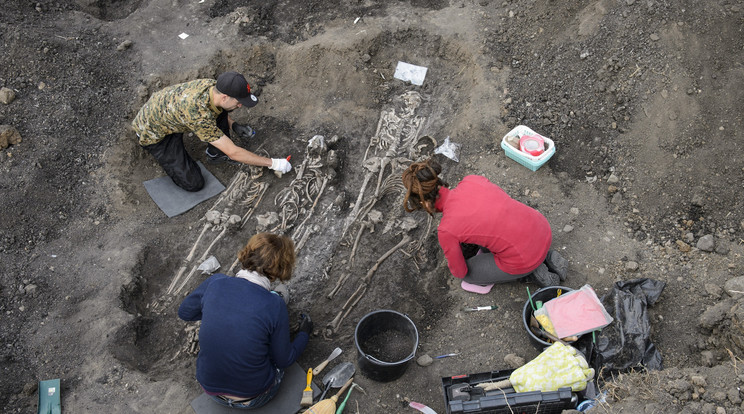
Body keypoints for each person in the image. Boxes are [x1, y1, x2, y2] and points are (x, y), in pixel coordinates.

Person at [178, 233, 313, 409]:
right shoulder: (274, 305)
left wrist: (219, 310)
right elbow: (284, 360)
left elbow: (185, 312)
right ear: (282, 269)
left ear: (248, 253)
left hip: (210, 389)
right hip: (254, 396)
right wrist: (304, 334)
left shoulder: (216, 282)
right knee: (270, 351)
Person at [401, 158, 567, 294]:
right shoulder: (471, 180)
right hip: (542, 228)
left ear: (425, 203)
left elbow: (459, 271)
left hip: (524, 259)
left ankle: (530, 274)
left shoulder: (447, 230)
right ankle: (545, 256)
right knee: (493, 231)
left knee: (470, 273)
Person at [132, 71, 292, 192]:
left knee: (221, 111)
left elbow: (217, 110)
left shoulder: (212, 87)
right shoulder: (198, 113)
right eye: (238, 102)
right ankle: (185, 155)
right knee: (194, 183)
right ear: (225, 97)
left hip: (171, 114)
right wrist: (273, 163)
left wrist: (233, 125)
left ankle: (216, 154)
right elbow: (234, 153)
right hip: (155, 133)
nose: (240, 105)